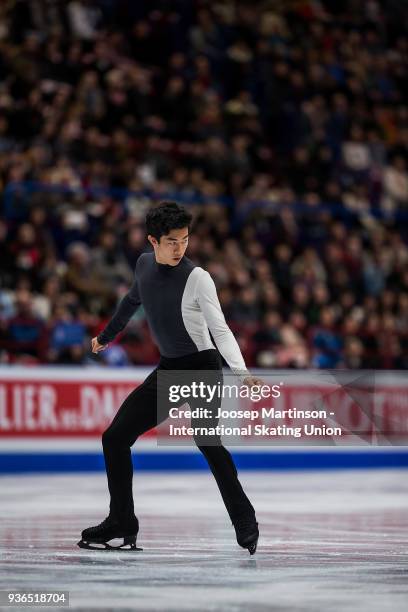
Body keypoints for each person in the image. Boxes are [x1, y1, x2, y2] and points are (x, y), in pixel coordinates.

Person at [78, 202, 262, 554]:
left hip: (203, 367)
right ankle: (122, 521)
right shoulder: (144, 265)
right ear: (153, 241)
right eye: (172, 241)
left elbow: (220, 330)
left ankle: (244, 518)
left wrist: (241, 371)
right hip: (170, 369)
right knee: (115, 438)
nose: (180, 248)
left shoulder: (198, 278)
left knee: (206, 439)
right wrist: (106, 336)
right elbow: (131, 301)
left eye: (185, 239)